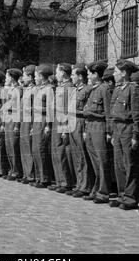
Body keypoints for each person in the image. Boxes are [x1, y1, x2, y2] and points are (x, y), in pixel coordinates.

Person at [109, 60, 139, 210]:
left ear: (124, 73)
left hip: (128, 128)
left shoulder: (134, 89)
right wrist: (111, 131)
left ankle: (131, 197)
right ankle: (122, 194)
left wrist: (136, 135)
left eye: (116, 72)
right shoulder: (117, 89)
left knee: (130, 163)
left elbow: (136, 114)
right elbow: (112, 111)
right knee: (119, 164)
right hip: (117, 128)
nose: (114, 74)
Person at [82, 62, 113, 203]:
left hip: (100, 127)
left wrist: (108, 131)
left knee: (102, 160)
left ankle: (103, 192)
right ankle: (96, 188)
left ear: (95, 74)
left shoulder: (104, 89)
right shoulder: (93, 89)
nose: (87, 76)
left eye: (89, 73)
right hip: (90, 126)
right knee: (94, 160)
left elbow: (108, 112)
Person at [50, 63, 76, 193]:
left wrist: (65, 128)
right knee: (56, 151)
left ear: (64, 73)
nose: (56, 75)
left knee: (63, 152)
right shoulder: (61, 87)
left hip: (63, 122)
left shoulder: (69, 87)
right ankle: (60, 180)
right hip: (57, 120)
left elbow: (67, 109)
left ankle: (67, 182)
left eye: (58, 72)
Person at [67, 65, 93, 196]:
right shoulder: (75, 89)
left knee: (82, 155)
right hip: (73, 121)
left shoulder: (88, 90)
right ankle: (79, 183)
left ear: (80, 76)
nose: (72, 77)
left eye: (73, 75)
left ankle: (85, 186)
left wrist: (85, 129)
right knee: (76, 155)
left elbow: (88, 110)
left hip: (81, 122)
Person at [30, 64, 55, 188]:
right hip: (37, 120)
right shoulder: (39, 89)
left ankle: (45, 178)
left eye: (36, 76)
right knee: (35, 149)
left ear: (41, 76)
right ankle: (39, 176)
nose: (35, 78)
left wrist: (48, 126)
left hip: (44, 120)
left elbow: (51, 108)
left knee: (41, 149)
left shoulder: (49, 89)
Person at [3, 68, 23, 181]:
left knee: (13, 146)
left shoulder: (18, 90)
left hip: (13, 117)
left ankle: (16, 171)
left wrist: (16, 124)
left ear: (11, 78)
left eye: (7, 76)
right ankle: (12, 169)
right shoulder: (11, 89)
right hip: (8, 117)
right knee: (8, 145)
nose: (6, 79)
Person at [19, 65, 36, 184]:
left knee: (28, 148)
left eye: (24, 75)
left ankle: (31, 174)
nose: (23, 78)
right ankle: (26, 173)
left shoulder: (34, 90)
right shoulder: (26, 89)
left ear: (30, 77)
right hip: (23, 120)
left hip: (29, 120)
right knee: (24, 147)